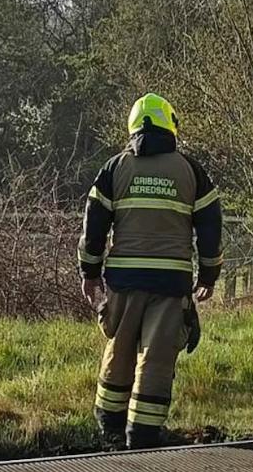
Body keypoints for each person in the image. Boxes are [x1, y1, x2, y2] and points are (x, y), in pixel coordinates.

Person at [78, 93, 223, 450]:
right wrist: (208, 275)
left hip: (124, 280)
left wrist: (90, 272)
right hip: (170, 283)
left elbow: (93, 225)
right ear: (171, 126)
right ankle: (142, 435)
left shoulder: (115, 168)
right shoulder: (191, 171)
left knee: (120, 348)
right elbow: (210, 227)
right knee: (156, 358)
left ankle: (108, 424)